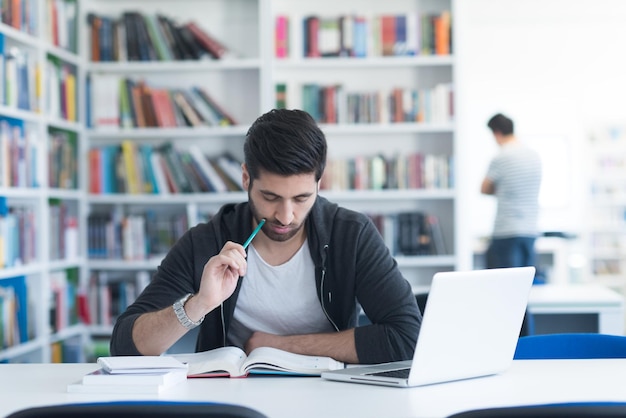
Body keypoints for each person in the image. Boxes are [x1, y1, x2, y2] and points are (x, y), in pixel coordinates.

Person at [110, 108, 421, 365]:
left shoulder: (351, 236)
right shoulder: (206, 242)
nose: (285, 216)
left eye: (301, 198)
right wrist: (198, 304)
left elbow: (407, 337)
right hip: (232, 401)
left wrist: (275, 346)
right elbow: (125, 347)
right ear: (246, 178)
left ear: (319, 183)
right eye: (270, 197)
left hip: (330, 396)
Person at [481, 113, 542, 335]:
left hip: (506, 233)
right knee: (523, 293)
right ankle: (526, 344)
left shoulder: (502, 157)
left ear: (497, 133)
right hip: (529, 232)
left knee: (501, 293)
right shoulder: (533, 155)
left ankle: (504, 341)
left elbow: (484, 188)